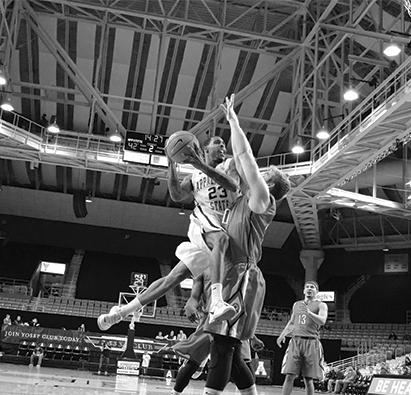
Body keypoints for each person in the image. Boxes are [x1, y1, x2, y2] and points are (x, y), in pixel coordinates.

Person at [97, 135, 240, 331]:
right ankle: (216, 301)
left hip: (220, 231)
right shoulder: (194, 178)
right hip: (204, 225)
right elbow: (176, 195)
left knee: (172, 279)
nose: (224, 147)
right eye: (218, 143)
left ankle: (121, 312)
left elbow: (233, 185)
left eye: (224, 144)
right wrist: (171, 164)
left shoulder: (230, 165)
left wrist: (200, 165)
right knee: (221, 239)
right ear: (205, 149)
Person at [200, 94, 290, 395]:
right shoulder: (243, 196)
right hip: (231, 270)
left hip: (244, 276)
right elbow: (240, 159)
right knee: (231, 348)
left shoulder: (263, 200)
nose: (259, 173)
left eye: (265, 175)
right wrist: (232, 124)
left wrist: (235, 122)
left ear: (270, 185)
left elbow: (247, 159)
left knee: (223, 345)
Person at [277, 281, 328, 395]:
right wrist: (282, 335)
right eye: (307, 287)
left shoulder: (321, 305)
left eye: (312, 287)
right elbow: (291, 322)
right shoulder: (297, 304)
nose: (309, 289)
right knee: (289, 375)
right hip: (296, 341)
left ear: (317, 291)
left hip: (312, 342)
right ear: (304, 290)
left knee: (308, 379)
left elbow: (323, 321)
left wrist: (309, 313)